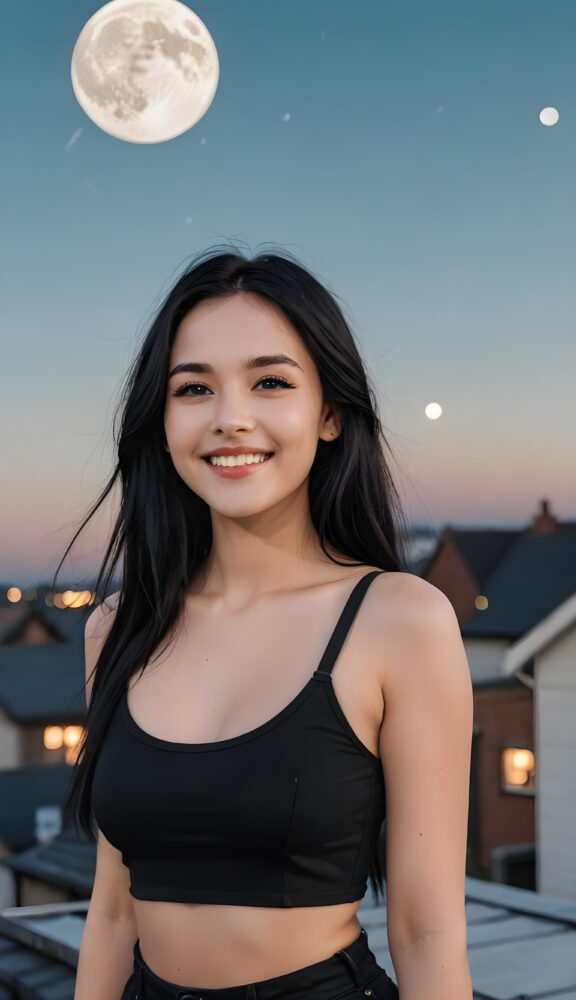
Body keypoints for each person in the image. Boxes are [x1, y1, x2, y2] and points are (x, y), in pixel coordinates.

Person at [61, 246, 474, 1000]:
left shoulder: (399, 622)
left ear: (329, 414)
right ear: (162, 419)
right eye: (194, 389)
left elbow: (427, 929)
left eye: (271, 381)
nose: (230, 419)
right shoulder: (116, 630)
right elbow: (114, 910)